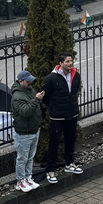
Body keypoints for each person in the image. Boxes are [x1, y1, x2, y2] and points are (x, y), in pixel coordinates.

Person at [42, 52, 82, 184]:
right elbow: (45, 97)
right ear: (60, 63)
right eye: (67, 61)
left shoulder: (76, 75)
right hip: (58, 116)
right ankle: (50, 170)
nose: (70, 64)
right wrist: (54, 108)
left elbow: (75, 92)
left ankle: (69, 163)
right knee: (54, 142)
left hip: (72, 114)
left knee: (70, 139)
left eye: (71, 61)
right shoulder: (51, 78)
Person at [12, 69, 45, 192]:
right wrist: (36, 99)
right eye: (28, 81)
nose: (31, 83)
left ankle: (28, 177)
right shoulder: (17, 97)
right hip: (24, 133)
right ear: (21, 82)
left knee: (30, 157)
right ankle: (20, 181)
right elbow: (25, 112)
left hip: (34, 130)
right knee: (22, 158)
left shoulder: (29, 90)